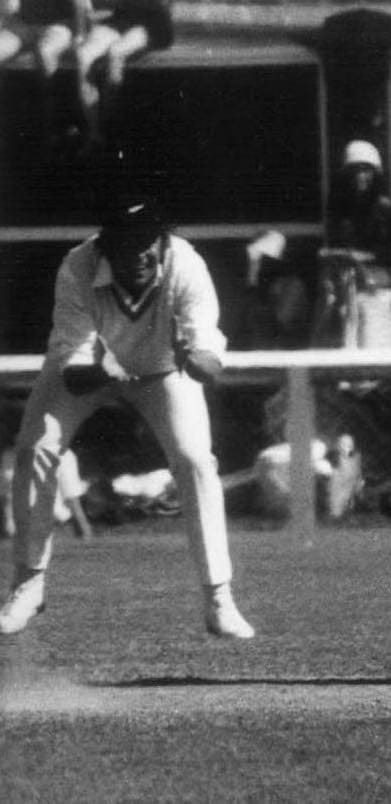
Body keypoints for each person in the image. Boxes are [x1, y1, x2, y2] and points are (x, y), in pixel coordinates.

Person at [0, 193, 255, 638]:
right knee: (33, 448)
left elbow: (209, 357)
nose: (138, 254)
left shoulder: (187, 266)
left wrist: (195, 361)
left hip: (162, 370)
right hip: (87, 370)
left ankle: (219, 596)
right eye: (126, 243)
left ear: (161, 241)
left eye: (147, 242)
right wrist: (105, 369)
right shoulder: (77, 267)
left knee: (195, 459)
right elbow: (74, 370)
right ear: (105, 245)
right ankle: (28, 583)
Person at [317, 140, 391, 349]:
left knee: (375, 346)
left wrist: (363, 257)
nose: (361, 177)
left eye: (366, 170)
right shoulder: (339, 208)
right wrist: (333, 256)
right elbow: (334, 243)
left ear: (376, 174)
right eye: (355, 171)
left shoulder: (385, 208)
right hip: (344, 287)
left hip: (375, 288)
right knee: (343, 348)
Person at [74, 0, 174, 155]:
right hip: (119, 19)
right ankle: (94, 132)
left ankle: (105, 128)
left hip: (149, 23)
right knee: (83, 56)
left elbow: (158, 6)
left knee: (116, 52)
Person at [0, 0, 86, 151]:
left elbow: (79, 4)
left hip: (58, 25)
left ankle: (52, 121)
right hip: (22, 25)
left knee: (45, 52)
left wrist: (79, 34)